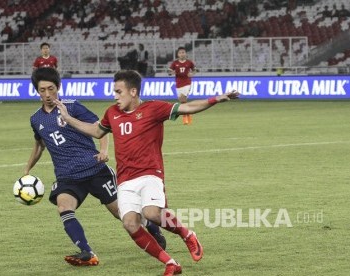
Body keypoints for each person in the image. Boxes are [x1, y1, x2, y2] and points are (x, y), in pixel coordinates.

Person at [54, 70, 240, 276]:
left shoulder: (154, 108)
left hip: (150, 173)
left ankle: (187, 235)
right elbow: (96, 131)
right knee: (129, 223)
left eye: (118, 91)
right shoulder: (112, 113)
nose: (115, 96)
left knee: (152, 213)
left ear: (133, 91)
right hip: (125, 180)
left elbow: (188, 107)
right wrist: (68, 119)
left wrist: (217, 99)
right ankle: (171, 263)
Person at [26, 67, 166, 267]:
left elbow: (102, 127)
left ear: (58, 87)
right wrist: (27, 169)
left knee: (123, 214)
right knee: (64, 207)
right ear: (37, 91)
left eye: (51, 89)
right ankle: (87, 252)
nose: (47, 94)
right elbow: (40, 145)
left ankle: (151, 225)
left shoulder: (72, 107)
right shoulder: (36, 119)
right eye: (42, 90)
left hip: (95, 170)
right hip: (67, 176)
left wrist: (104, 151)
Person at [168, 47, 196, 125]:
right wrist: (171, 72)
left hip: (187, 83)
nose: (182, 54)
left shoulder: (189, 62)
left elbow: (195, 69)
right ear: (178, 54)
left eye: (183, 52)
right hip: (178, 83)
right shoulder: (175, 63)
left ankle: (185, 118)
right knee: (182, 101)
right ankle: (188, 114)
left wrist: (192, 74)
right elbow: (169, 71)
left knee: (183, 99)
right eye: (180, 53)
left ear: (185, 53)